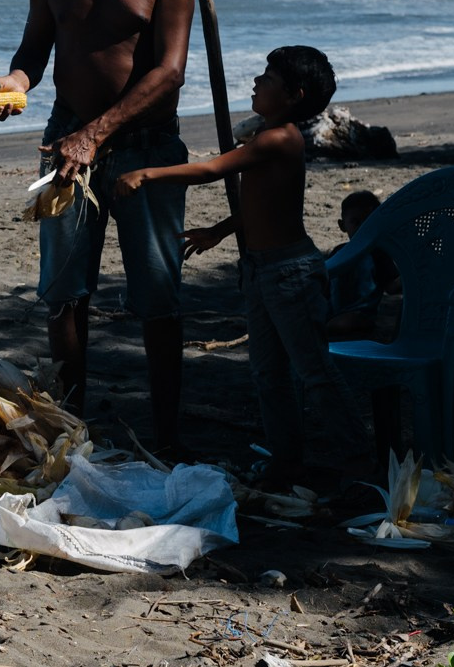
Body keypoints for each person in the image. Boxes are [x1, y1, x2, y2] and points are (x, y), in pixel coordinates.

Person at [0, 0, 196, 459]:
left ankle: (168, 437)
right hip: (66, 139)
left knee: (157, 295)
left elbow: (169, 74)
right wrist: (12, 85)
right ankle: (70, 427)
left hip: (145, 146)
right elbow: (33, 54)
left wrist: (96, 135)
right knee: (64, 291)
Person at [115, 46, 358, 492]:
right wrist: (221, 230)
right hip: (260, 269)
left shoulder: (279, 139)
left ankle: (360, 463)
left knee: (314, 372)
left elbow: (210, 170)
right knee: (268, 374)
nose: (257, 82)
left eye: (268, 78)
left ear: (294, 95)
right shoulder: (266, 135)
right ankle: (286, 463)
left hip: (290, 273)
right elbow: (264, 202)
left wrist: (146, 174)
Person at [326, 189, 400, 341]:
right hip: (333, 312)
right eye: (355, 222)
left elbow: (391, 287)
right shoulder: (339, 252)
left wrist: (409, 275)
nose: (362, 228)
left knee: (347, 322)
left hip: (361, 317)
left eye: (368, 223)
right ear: (342, 225)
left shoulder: (378, 254)